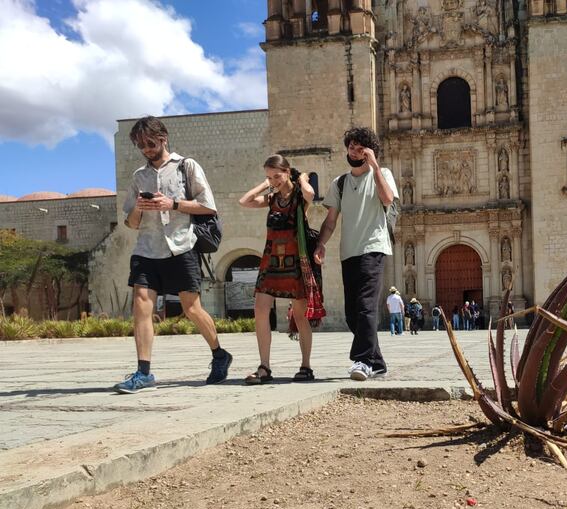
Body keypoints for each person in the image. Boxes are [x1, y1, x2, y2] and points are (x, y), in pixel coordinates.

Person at [114, 116, 231, 394]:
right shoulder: (138, 176)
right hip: (146, 249)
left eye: (150, 143)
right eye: (140, 145)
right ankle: (143, 372)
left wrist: (173, 203)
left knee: (191, 308)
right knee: (141, 305)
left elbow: (208, 207)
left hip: (181, 246)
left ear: (163, 138)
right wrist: (140, 207)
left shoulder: (185, 166)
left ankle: (219, 354)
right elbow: (130, 223)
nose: (146, 149)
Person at [314, 127, 398, 381]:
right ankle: (378, 362)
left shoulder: (382, 174)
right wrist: (320, 244)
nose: (354, 151)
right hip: (348, 252)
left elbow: (387, 199)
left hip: (373, 248)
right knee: (352, 313)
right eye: (351, 147)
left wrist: (374, 166)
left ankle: (362, 361)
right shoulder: (339, 183)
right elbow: (330, 222)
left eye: (360, 148)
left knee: (365, 306)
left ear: (369, 151)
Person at [238, 154, 322, 383]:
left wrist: (303, 177)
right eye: (269, 176)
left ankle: (306, 366)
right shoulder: (271, 198)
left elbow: (311, 195)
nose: (273, 180)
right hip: (271, 259)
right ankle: (264, 367)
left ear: (287, 171)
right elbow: (244, 201)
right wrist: (265, 185)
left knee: (300, 315)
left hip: (296, 260)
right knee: (260, 309)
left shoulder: (298, 196)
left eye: (277, 175)